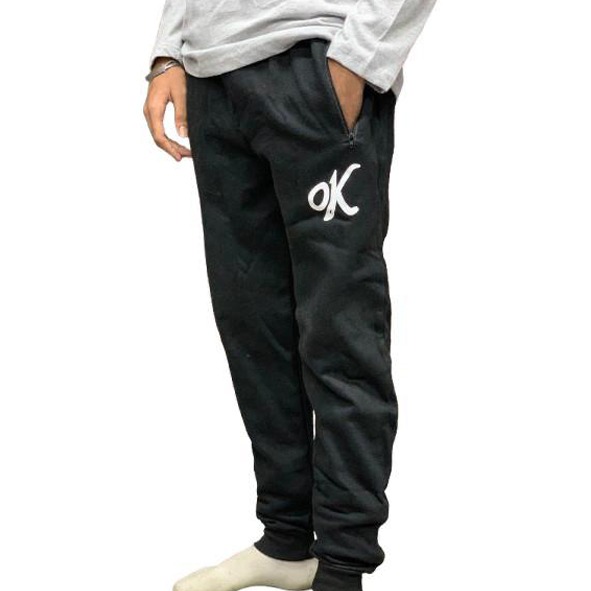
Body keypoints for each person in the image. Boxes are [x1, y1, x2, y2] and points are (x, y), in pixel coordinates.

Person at [143, 2, 437, 591]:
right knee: (253, 326)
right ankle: (286, 539)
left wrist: (358, 60)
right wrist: (169, 52)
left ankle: (343, 563)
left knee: (339, 329)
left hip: (314, 62)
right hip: (212, 76)